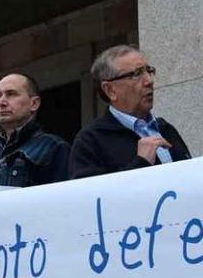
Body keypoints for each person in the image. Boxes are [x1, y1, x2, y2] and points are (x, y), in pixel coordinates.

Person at [70, 44, 191, 179]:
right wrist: (141, 163)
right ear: (110, 90)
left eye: (149, 71)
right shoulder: (90, 140)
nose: (149, 81)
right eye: (137, 74)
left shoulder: (166, 129)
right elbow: (89, 197)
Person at [0, 73, 69, 194]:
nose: (1, 102)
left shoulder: (53, 148)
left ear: (34, 104)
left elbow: (62, 202)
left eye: (11, 94)